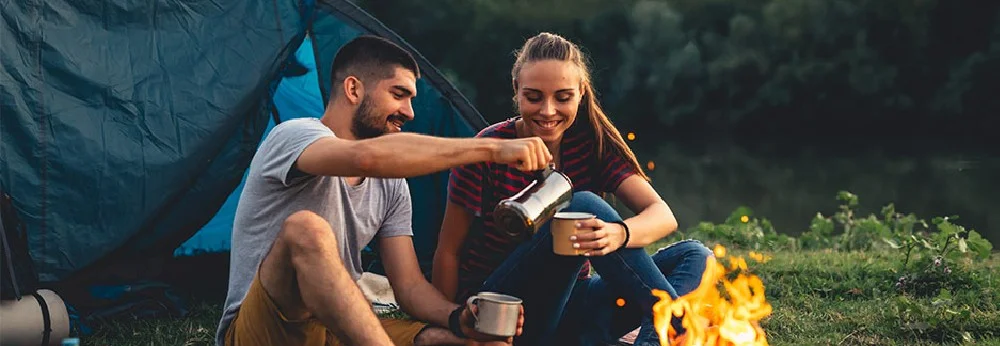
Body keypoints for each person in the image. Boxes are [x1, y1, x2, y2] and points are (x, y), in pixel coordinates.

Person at [216, 35, 546, 346]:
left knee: (458, 342)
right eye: (398, 94)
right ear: (353, 89)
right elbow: (364, 159)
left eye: (411, 99)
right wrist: (490, 149)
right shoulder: (294, 135)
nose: (409, 112)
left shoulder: (392, 186)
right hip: (264, 328)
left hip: (331, 328)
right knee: (307, 228)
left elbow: (410, 286)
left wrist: (459, 318)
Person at [432, 32, 714, 346]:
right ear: (516, 91)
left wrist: (618, 233)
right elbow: (448, 251)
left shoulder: (590, 144)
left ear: (581, 93)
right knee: (583, 204)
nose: (548, 111)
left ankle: (654, 341)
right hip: (508, 313)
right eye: (534, 97)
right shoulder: (489, 149)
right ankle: (678, 328)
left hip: (573, 303)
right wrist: (453, 325)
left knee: (694, 255)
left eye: (563, 98)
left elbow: (663, 215)